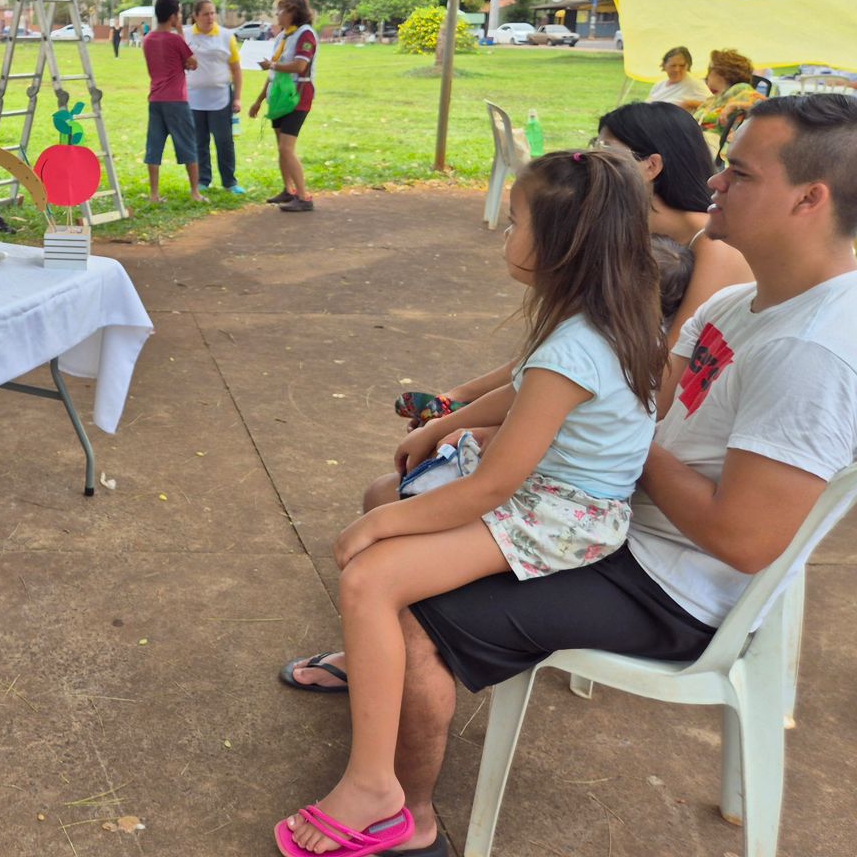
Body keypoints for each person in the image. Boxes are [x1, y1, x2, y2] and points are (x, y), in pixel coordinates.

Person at [281, 95, 857, 857]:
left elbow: (745, 540)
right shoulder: (741, 302)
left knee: (400, 600)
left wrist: (619, 447)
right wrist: (466, 418)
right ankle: (376, 687)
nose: (712, 182)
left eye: (739, 172)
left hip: (667, 580)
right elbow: (624, 389)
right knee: (391, 504)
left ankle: (404, 817)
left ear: (809, 199)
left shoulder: (814, 350)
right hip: (615, 511)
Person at [276, 149, 665, 854]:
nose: (504, 234)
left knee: (368, 573)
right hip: (564, 498)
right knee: (380, 509)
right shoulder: (607, 312)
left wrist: (378, 527)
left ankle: (375, 786)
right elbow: (522, 392)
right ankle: (370, 693)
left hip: (559, 515)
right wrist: (445, 423)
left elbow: (494, 488)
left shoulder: (572, 346)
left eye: (514, 221)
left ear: (558, 243)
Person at [400, 101, 752, 467]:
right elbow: (576, 345)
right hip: (593, 393)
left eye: (606, 150)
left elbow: (657, 378)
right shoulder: (627, 231)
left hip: (627, 427)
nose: (592, 159)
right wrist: (463, 397)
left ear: (652, 166)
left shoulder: (714, 249)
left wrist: (504, 429)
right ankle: (454, 401)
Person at [249, 0, 319, 212]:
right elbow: (272, 73)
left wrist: (272, 65)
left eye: (281, 10)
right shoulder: (282, 37)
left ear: (293, 12)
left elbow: (300, 67)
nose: (277, 15)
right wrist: (259, 100)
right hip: (279, 97)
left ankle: (304, 197)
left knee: (286, 148)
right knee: (282, 148)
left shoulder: (305, 35)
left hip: (297, 96)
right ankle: (289, 190)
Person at [142, 0, 204, 204]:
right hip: (176, 99)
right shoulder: (175, 39)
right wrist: (180, 33)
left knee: (154, 146)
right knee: (187, 143)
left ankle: (154, 194)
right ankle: (195, 192)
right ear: (172, 16)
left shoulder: (148, 39)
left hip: (156, 98)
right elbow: (192, 63)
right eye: (178, 13)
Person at [185, 0, 245, 195]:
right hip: (194, 98)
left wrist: (237, 97)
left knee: (224, 140)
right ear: (195, 16)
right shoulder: (186, 36)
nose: (210, 17)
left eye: (212, 13)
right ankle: (203, 180)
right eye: (205, 14)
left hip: (220, 97)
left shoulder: (227, 35)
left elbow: (236, 70)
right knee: (199, 140)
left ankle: (229, 181)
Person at [693, 48, 763, 138]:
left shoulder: (740, 89)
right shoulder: (713, 100)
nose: (707, 78)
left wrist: (734, 105)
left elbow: (764, 108)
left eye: (710, 72)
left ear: (720, 72)